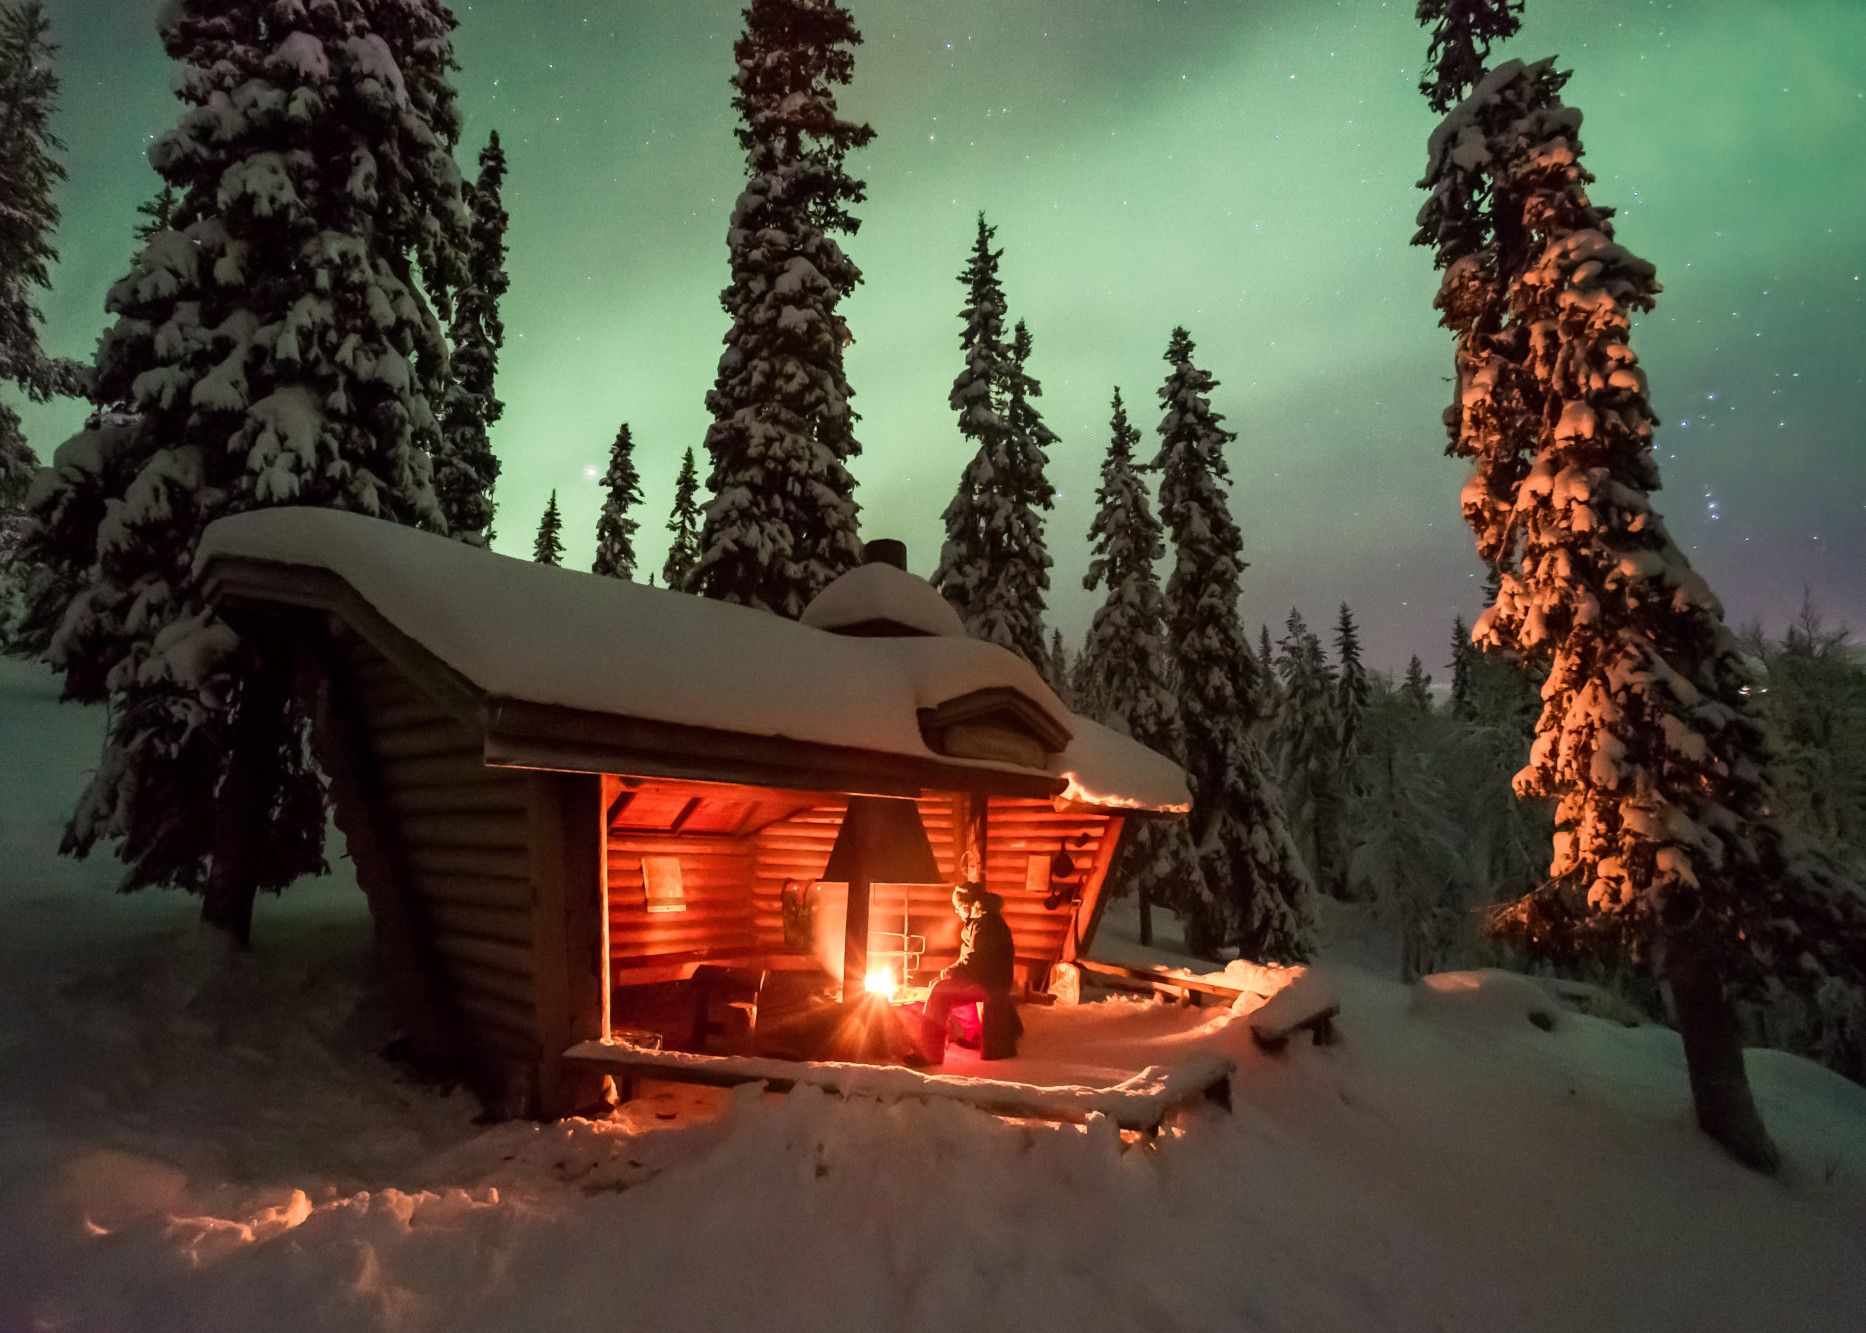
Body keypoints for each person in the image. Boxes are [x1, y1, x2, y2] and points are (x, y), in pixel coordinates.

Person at [917, 883, 1018, 1065]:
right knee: (938, 984)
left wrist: (954, 972)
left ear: (967, 905)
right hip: (986, 979)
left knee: (940, 991)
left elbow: (978, 962)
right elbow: (970, 957)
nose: (956, 912)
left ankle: (929, 1053)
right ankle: (966, 1033)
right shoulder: (981, 921)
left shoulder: (987, 924)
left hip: (989, 983)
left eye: (957, 907)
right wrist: (952, 969)